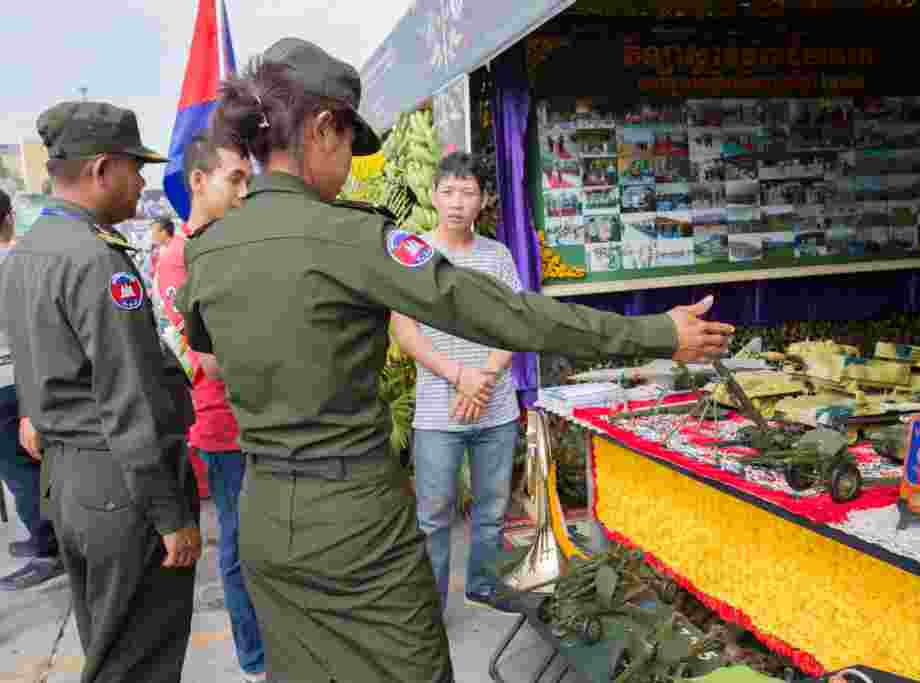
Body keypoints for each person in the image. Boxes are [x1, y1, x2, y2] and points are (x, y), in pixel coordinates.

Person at [176, 37, 733, 683]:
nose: (349, 168)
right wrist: (655, 333)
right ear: (323, 127)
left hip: (264, 513)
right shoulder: (349, 236)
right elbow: (506, 314)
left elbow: (209, 353)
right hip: (356, 521)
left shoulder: (209, 247)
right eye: (347, 145)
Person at [0, 101, 201, 683]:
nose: (140, 183)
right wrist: (170, 515)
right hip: (120, 483)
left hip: (70, 482)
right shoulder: (95, 259)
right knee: (139, 660)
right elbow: (130, 399)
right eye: (134, 168)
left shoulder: (29, 254)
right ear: (101, 169)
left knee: (109, 644)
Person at [156, 132, 266, 682]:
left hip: (261, 419)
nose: (245, 191)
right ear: (198, 182)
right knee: (240, 551)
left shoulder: (234, 245)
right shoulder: (179, 261)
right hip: (224, 427)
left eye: (249, 179)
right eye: (235, 180)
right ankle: (254, 660)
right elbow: (211, 356)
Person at [390, 152, 521, 613]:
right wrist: (459, 376)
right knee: (432, 515)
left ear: (482, 201)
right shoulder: (414, 254)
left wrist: (481, 380)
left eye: (467, 193)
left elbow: (516, 324)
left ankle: (484, 584)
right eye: (448, 192)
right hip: (436, 412)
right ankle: (431, 605)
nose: (457, 202)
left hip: (497, 408)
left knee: (491, 511)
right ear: (433, 196)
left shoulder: (497, 256)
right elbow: (405, 331)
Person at [0, 189, 66, 591]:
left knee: (20, 471)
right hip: (23, 378)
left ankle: (48, 548)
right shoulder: (23, 261)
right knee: (30, 465)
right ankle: (45, 537)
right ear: (8, 215)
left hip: (8, 382)